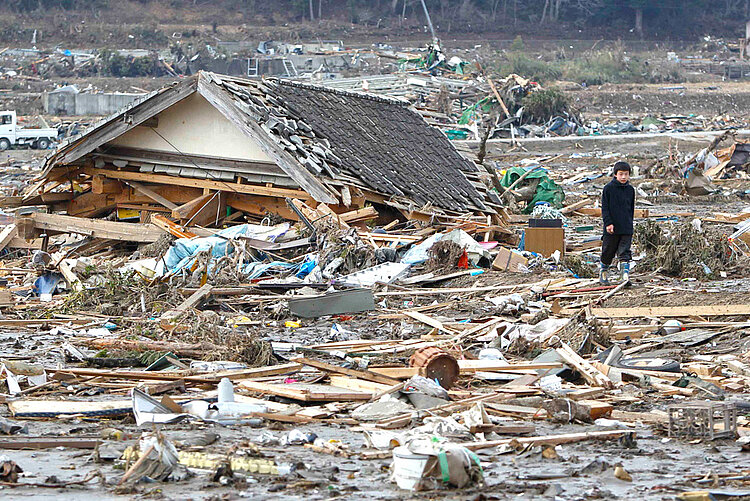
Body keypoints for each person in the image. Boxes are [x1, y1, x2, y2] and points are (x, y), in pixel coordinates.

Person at [600, 161, 635, 284]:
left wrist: (630, 224)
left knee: (624, 252)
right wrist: (608, 223)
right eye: (621, 174)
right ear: (615, 174)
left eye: (626, 174)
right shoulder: (608, 189)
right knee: (608, 251)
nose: (624, 177)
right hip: (611, 227)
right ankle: (603, 272)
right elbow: (605, 208)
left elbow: (631, 208)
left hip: (626, 226)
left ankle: (624, 276)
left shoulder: (630, 190)